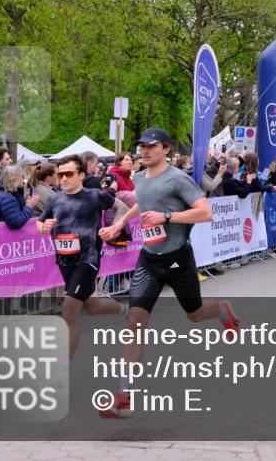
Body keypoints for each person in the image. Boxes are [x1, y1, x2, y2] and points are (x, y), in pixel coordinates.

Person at [98, 128, 240, 419]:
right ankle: (123, 397)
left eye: (151, 146)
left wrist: (168, 217)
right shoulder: (139, 176)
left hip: (178, 259)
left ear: (165, 149)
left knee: (195, 314)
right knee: (135, 322)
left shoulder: (178, 178)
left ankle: (223, 311)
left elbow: (205, 212)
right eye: (141, 146)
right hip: (149, 260)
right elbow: (142, 203)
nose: (144, 151)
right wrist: (119, 223)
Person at [36, 154, 126, 359]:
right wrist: (43, 226)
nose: (64, 178)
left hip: (88, 258)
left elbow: (121, 207)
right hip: (64, 259)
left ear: (81, 175)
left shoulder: (95, 195)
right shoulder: (54, 198)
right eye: (60, 174)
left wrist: (114, 226)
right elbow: (40, 223)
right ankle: (124, 308)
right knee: (92, 307)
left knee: (69, 311)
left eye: (69, 173)